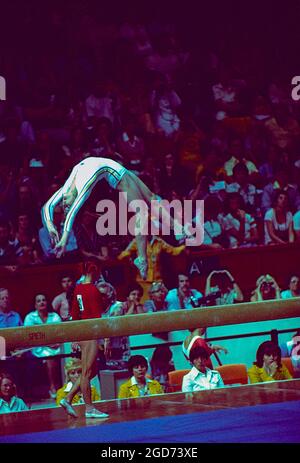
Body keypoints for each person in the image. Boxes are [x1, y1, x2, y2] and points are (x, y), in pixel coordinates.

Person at [42, 157, 188, 280]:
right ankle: (142, 259)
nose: (67, 206)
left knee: (151, 198)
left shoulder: (66, 189)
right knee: (142, 212)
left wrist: (52, 228)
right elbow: (71, 212)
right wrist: (60, 236)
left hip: (118, 168)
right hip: (117, 175)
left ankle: (178, 229)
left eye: (66, 205)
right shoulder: (82, 188)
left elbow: (46, 207)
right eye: (67, 206)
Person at [59, 260, 108, 419]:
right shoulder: (93, 289)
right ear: (93, 271)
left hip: (82, 333)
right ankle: (89, 408)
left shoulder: (77, 289)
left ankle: (67, 399)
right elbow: (97, 316)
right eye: (98, 271)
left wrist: (75, 337)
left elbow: (74, 314)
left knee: (91, 371)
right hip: (91, 334)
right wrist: (102, 338)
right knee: (87, 373)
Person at [24, 293, 62, 399]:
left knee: (65, 353)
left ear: (47, 302)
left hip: (56, 346)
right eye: (38, 301)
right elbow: (29, 337)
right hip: (38, 349)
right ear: (35, 305)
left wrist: (55, 343)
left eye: (44, 300)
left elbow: (60, 333)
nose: (42, 302)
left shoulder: (54, 316)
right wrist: (48, 343)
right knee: (49, 356)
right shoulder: (30, 317)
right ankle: (53, 386)